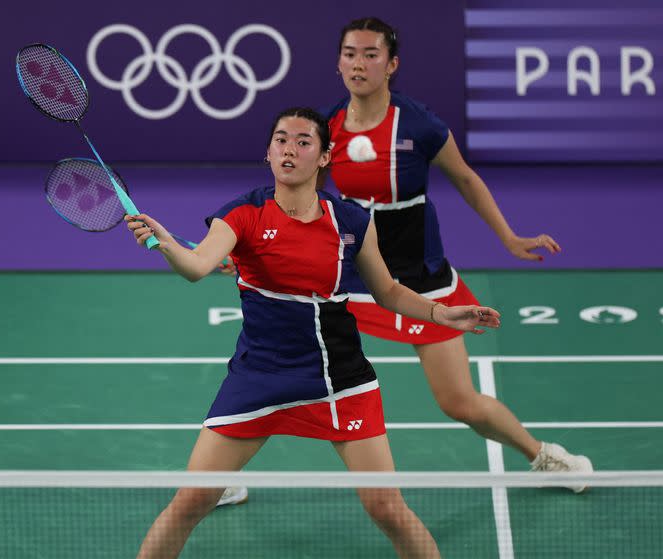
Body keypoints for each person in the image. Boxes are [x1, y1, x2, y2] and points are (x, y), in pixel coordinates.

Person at [127, 107, 501, 558]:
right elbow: (197, 266)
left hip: (337, 378)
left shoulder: (349, 222)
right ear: (268, 152)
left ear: (325, 156)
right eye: (281, 139)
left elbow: (387, 291)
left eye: (304, 142)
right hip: (259, 377)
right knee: (191, 499)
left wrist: (441, 313)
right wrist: (166, 243)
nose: (290, 149)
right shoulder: (242, 214)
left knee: (386, 506)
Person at [318, 17, 593, 487]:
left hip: (421, 280)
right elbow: (306, 198)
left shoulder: (419, 124)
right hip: (353, 277)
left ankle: (544, 455)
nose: (358, 64)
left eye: (370, 54)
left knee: (458, 401)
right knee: (291, 375)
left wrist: (508, 237)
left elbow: (465, 178)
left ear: (392, 64)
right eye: (350, 53)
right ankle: (217, 475)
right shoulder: (328, 128)